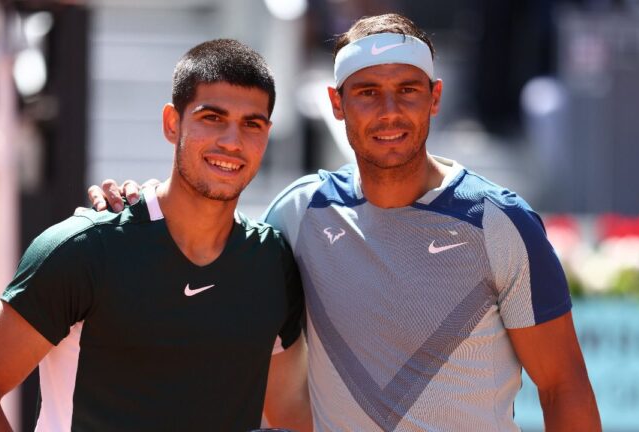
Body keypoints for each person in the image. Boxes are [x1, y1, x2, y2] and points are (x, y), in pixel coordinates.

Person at [89, 13, 601, 432]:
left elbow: (563, 387)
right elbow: (206, 247)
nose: (389, 111)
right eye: (367, 92)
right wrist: (139, 206)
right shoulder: (299, 213)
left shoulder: (499, 222)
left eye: (407, 90)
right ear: (336, 103)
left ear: (435, 98)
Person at [0, 39, 311, 432]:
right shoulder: (84, 250)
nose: (232, 142)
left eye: (251, 124)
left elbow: (292, 413)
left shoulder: (271, 262)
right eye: (212, 117)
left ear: (267, 134)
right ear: (172, 123)